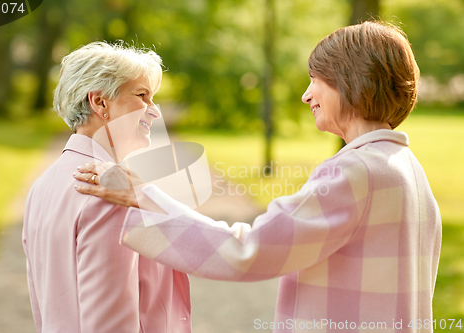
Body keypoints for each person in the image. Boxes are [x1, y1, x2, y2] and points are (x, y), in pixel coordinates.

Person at [75, 22, 441, 332]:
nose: (305, 94)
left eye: (316, 80)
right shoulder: (407, 169)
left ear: (351, 81)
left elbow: (247, 251)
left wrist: (144, 196)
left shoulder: (355, 172)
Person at [23, 41, 191, 333]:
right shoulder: (108, 192)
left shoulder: (42, 185)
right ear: (100, 102)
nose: (155, 111)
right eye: (142, 96)